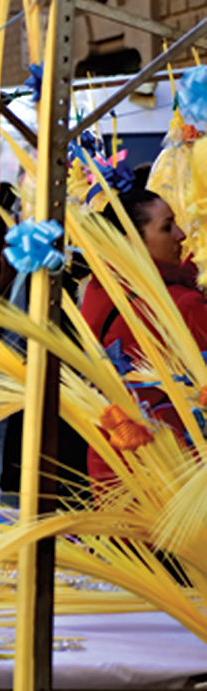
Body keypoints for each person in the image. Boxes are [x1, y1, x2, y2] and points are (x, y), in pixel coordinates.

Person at [81, 189, 207, 484]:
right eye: (167, 227)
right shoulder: (180, 305)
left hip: (111, 454)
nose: (181, 235)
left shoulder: (98, 289)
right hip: (173, 461)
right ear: (131, 242)